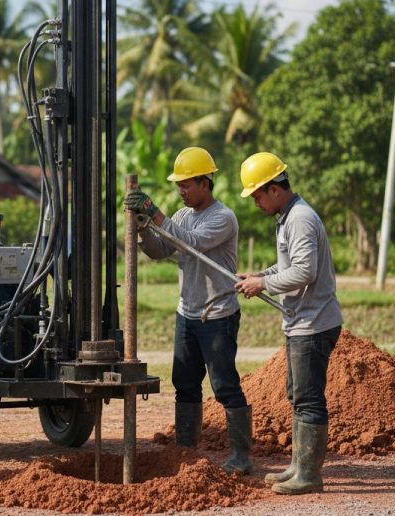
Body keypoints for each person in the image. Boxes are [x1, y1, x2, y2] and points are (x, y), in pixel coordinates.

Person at [125, 147, 252, 475]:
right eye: (178, 185)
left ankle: (241, 456)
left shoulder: (222, 218)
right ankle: (186, 451)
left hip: (218, 314)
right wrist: (142, 229)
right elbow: (160, 250)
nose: (180, 190)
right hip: (187, 313)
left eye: (186, 184)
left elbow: (190, 243)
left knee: (224, 384)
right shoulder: (181, 216)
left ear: (205, 183)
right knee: (184, 382)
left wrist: (155, 214)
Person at [234, 152, 343, 495]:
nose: (256, 203)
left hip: (313, 323)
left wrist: (262, 285)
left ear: (274, 189)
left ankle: (309, 475)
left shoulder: (300, 219)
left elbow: (304, 272)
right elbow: (288, 265)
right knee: (297, 395)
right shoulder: (288, 217)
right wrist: (259, 275)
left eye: (257, 196)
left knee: (309, 399)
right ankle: (298, 466)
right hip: (301, 322)